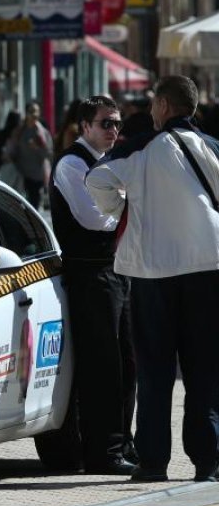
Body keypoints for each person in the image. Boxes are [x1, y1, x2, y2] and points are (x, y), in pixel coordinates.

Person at [86, 75, 219, 483]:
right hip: (208, 269)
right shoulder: (213, 148)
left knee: (155, 372)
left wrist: (120, 209)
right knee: (206, 372)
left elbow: (97, 179)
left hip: (152, 273)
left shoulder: (141, 147)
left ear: (162, 105)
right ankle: (208, 462)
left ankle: (153, 462)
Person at [49, 96, 137, 475]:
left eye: (116, 124)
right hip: (90, 274)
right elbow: (94, 218)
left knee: (127, 363)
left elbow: (114, 212)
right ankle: (103, 450)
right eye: (105, 123)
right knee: (103, 367)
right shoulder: (73, 163)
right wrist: (127, 204)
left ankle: (122, 443)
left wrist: (122, 204)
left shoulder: (109, 165)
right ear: (84, 126)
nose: (113, 131)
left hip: (117, 270)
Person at [10, 100, 53, 209]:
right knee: (20, 207)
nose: (34, 114)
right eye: (31, 111)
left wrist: (37, 148)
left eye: (37, 111)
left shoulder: (43, 133)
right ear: (26, 113)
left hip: (37, 176)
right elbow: (13, 149)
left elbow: (49, 154)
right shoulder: (19, 131)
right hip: (21, 174)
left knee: (34, 207)